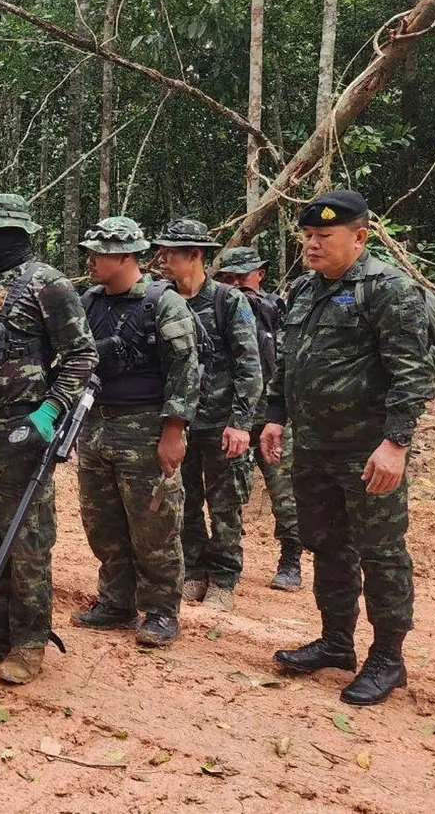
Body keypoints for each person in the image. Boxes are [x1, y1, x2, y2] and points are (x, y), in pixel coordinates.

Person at [262, 189, 435, 706]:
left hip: (367, 450)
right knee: (326, 543)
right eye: (308, 237)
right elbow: (289, 362)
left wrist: (396, 443)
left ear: (359, 237)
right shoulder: (303, 288)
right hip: (313, 447)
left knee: (381, 552)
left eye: (324, 237)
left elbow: (411, 374)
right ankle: (337, 641)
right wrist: (275, 418)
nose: (312, 246)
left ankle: (388, 658)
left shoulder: (389, 290)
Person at [0, 194, 98, 684]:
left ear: (11, 235)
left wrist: (50, 411)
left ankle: (29, 640)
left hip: (21, 429)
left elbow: (80, 355)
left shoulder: (47, 284)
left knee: (27, 540)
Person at [72, 216, 200, 647]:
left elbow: (185, 371)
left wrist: (174, 430)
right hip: (96, 427)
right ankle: (116, 601)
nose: (90, 260)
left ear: (127, 256)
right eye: (90, 251)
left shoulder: (164, 303)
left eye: (100, 253)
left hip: (146, 428)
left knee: (155, 524)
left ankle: (162, 610)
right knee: (102, 521)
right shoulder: (89, 301)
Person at [151, 219, 263, 612]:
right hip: (179, 422)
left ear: (196, 255)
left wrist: (241, 422)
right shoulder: (160, 300)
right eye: (160, 251)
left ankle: (225, 577)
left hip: (220, 421)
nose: (161, 260)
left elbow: (250, 366)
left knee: (225, 501)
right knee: (185, 500)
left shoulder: (228, 302)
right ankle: (194, 571)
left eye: (171, 253)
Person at [215, 246, 303, 591]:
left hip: (271, 415)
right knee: (228, 491)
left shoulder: (276, 308)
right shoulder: (218, 308)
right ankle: (224, 562)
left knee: (284, 490)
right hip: (229, 413)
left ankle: (291, 558)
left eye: (243, 277)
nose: (237, 284)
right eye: (228, 278)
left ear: (260, 275)